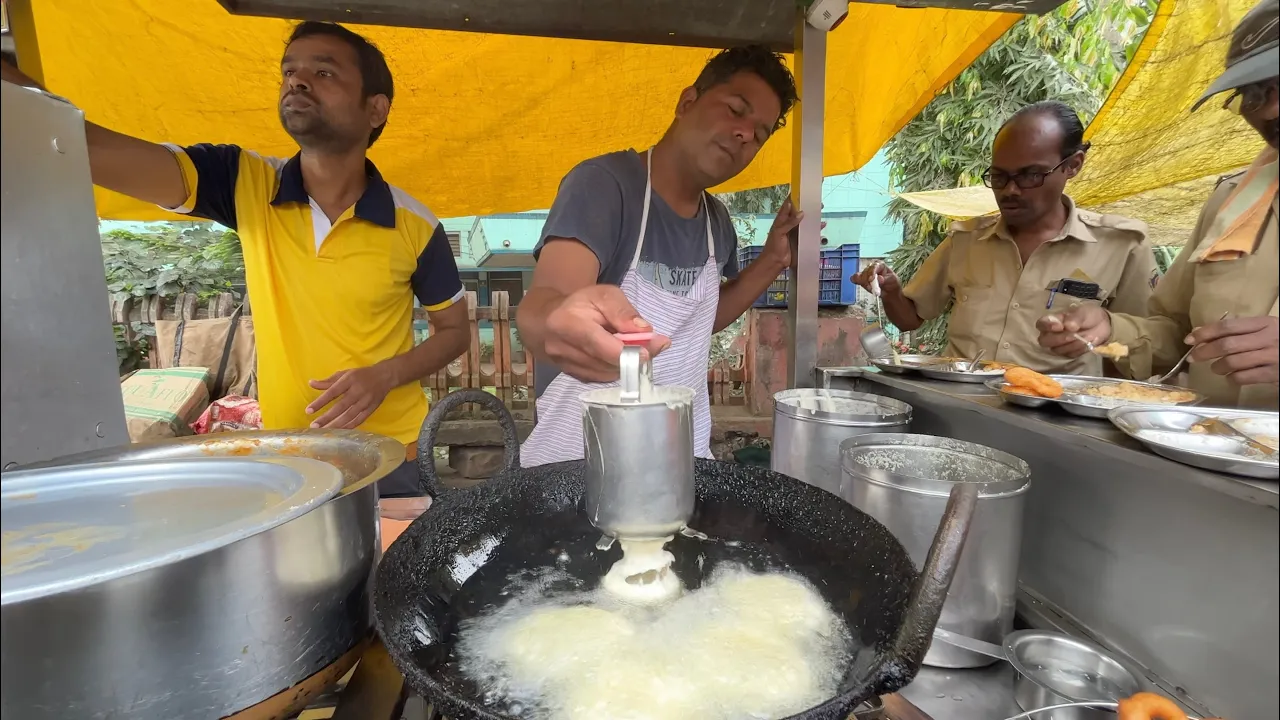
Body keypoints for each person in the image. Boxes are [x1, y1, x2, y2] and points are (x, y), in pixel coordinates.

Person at [1, 22, 470, 502]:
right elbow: (90, 147)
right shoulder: (245, 182)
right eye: (290, 70)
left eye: (324, 71)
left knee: (394, 573)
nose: (298, 81)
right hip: (292, 455)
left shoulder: (415, 223)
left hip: (392, 454)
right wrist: (19, 92)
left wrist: (386, 375)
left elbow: (455, 332)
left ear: (376, 107)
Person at [516, 46, 804, 466]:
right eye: (735, 110)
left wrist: (774, 260)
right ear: (687, 102)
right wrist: (550, 321)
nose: (745, 134)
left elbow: (700, 321)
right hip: (576, 468)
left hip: (680, 464)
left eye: (759, 134)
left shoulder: (716, 221)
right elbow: (548, 301)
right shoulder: (604, 186)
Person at [1036, 0, 1278, 409]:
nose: (1272, 109)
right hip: (1210, 453)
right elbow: (1176, 331)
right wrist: (1111, 329)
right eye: (1254, 95)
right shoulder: (1234, 203)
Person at [854, 102, 1157, 375]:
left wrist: (1107, 331)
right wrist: (892, 292)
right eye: (999, 177)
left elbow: (1151, 347)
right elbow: (910, 319)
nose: (1010, 190)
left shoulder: (1121, 244)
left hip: (1054, 422)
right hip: (960, 411)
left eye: (1029, 176)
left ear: (1072, 165)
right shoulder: (966, 241)